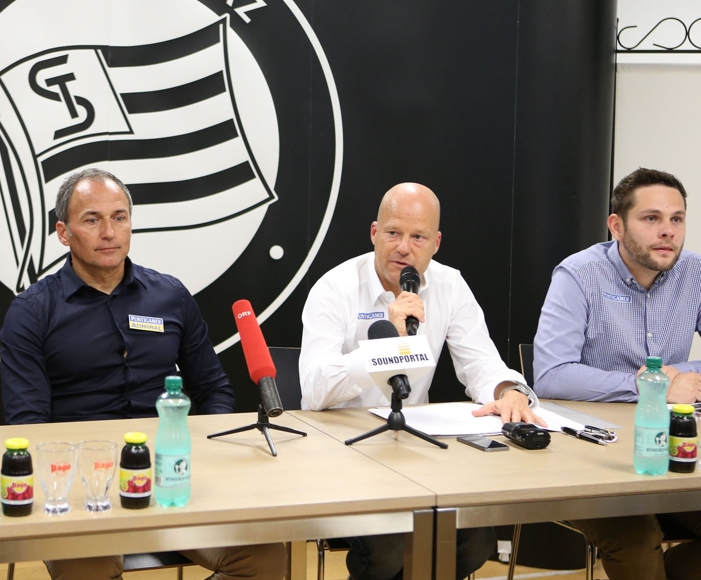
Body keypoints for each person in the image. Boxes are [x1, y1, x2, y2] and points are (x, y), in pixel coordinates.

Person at [0, 167, 286, 580]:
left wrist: (196, 451)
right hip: (86, 488)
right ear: (63, 233)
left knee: (264, 557)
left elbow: (213, 388)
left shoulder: (170, 295)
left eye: (119, 217)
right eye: (92, 220)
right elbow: (28, 424)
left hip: (172, 477)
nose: (109, 232)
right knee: (89, 572)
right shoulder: (31, 312)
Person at [300, 182, 543, 580]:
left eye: (418, 237)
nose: (403, 247)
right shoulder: (334, 289)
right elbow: (315, 390)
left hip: (414, 445)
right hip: (344, 447)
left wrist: (507, 390)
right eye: (394, 233)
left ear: (436, 243)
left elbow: (480, 360)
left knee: (475, 540)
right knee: (389, 549)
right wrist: (386, 341)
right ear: (374, 233)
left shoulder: (448, 285)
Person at [533, 167, 701, 580]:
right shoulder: (578, 275)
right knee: (637, 540)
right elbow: (551, 375)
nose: (667, 232)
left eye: (676, 219)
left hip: (667, 452)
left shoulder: (694, 273)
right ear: (616, 226)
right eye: (651, 218)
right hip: (590, 459)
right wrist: (653, 387)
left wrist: (684, 373)